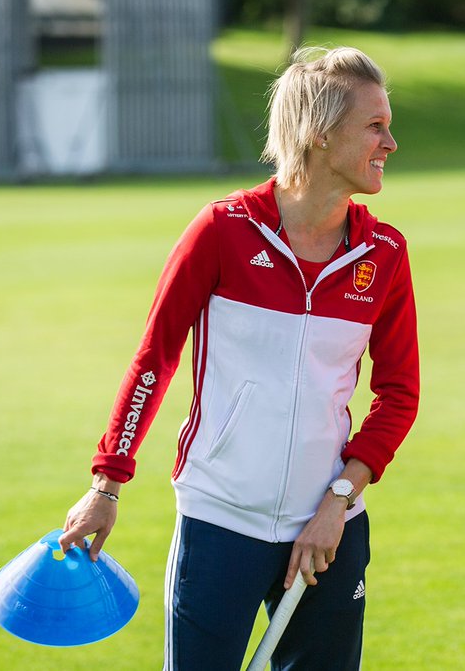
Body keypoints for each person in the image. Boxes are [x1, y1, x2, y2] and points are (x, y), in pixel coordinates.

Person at [59, 46, 419, 670]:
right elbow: (155, 360)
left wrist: (338, 501)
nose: (391, 141)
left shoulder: (384, 253)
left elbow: (399, 395)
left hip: (328, 530)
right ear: (318, 134)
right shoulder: (222, 229)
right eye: (375, 126)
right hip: (220, 521)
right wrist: (106, 484)